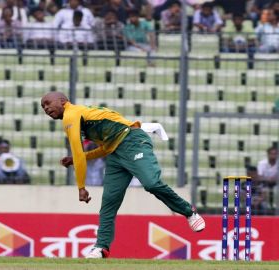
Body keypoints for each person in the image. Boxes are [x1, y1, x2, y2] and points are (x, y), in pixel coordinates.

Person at [40, 92, 205, 258]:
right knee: (109, 203)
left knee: (151, 184)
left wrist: (81, 186)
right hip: (115, 154)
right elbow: (104, 148)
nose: (46, 108)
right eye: (43, 107)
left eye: (48, 103)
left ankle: (188, 212)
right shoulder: (78, 116)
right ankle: (101, 248)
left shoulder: (71, 115)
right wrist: (78, 159)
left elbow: (78, 152)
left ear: (62, 101)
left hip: (132, 140)